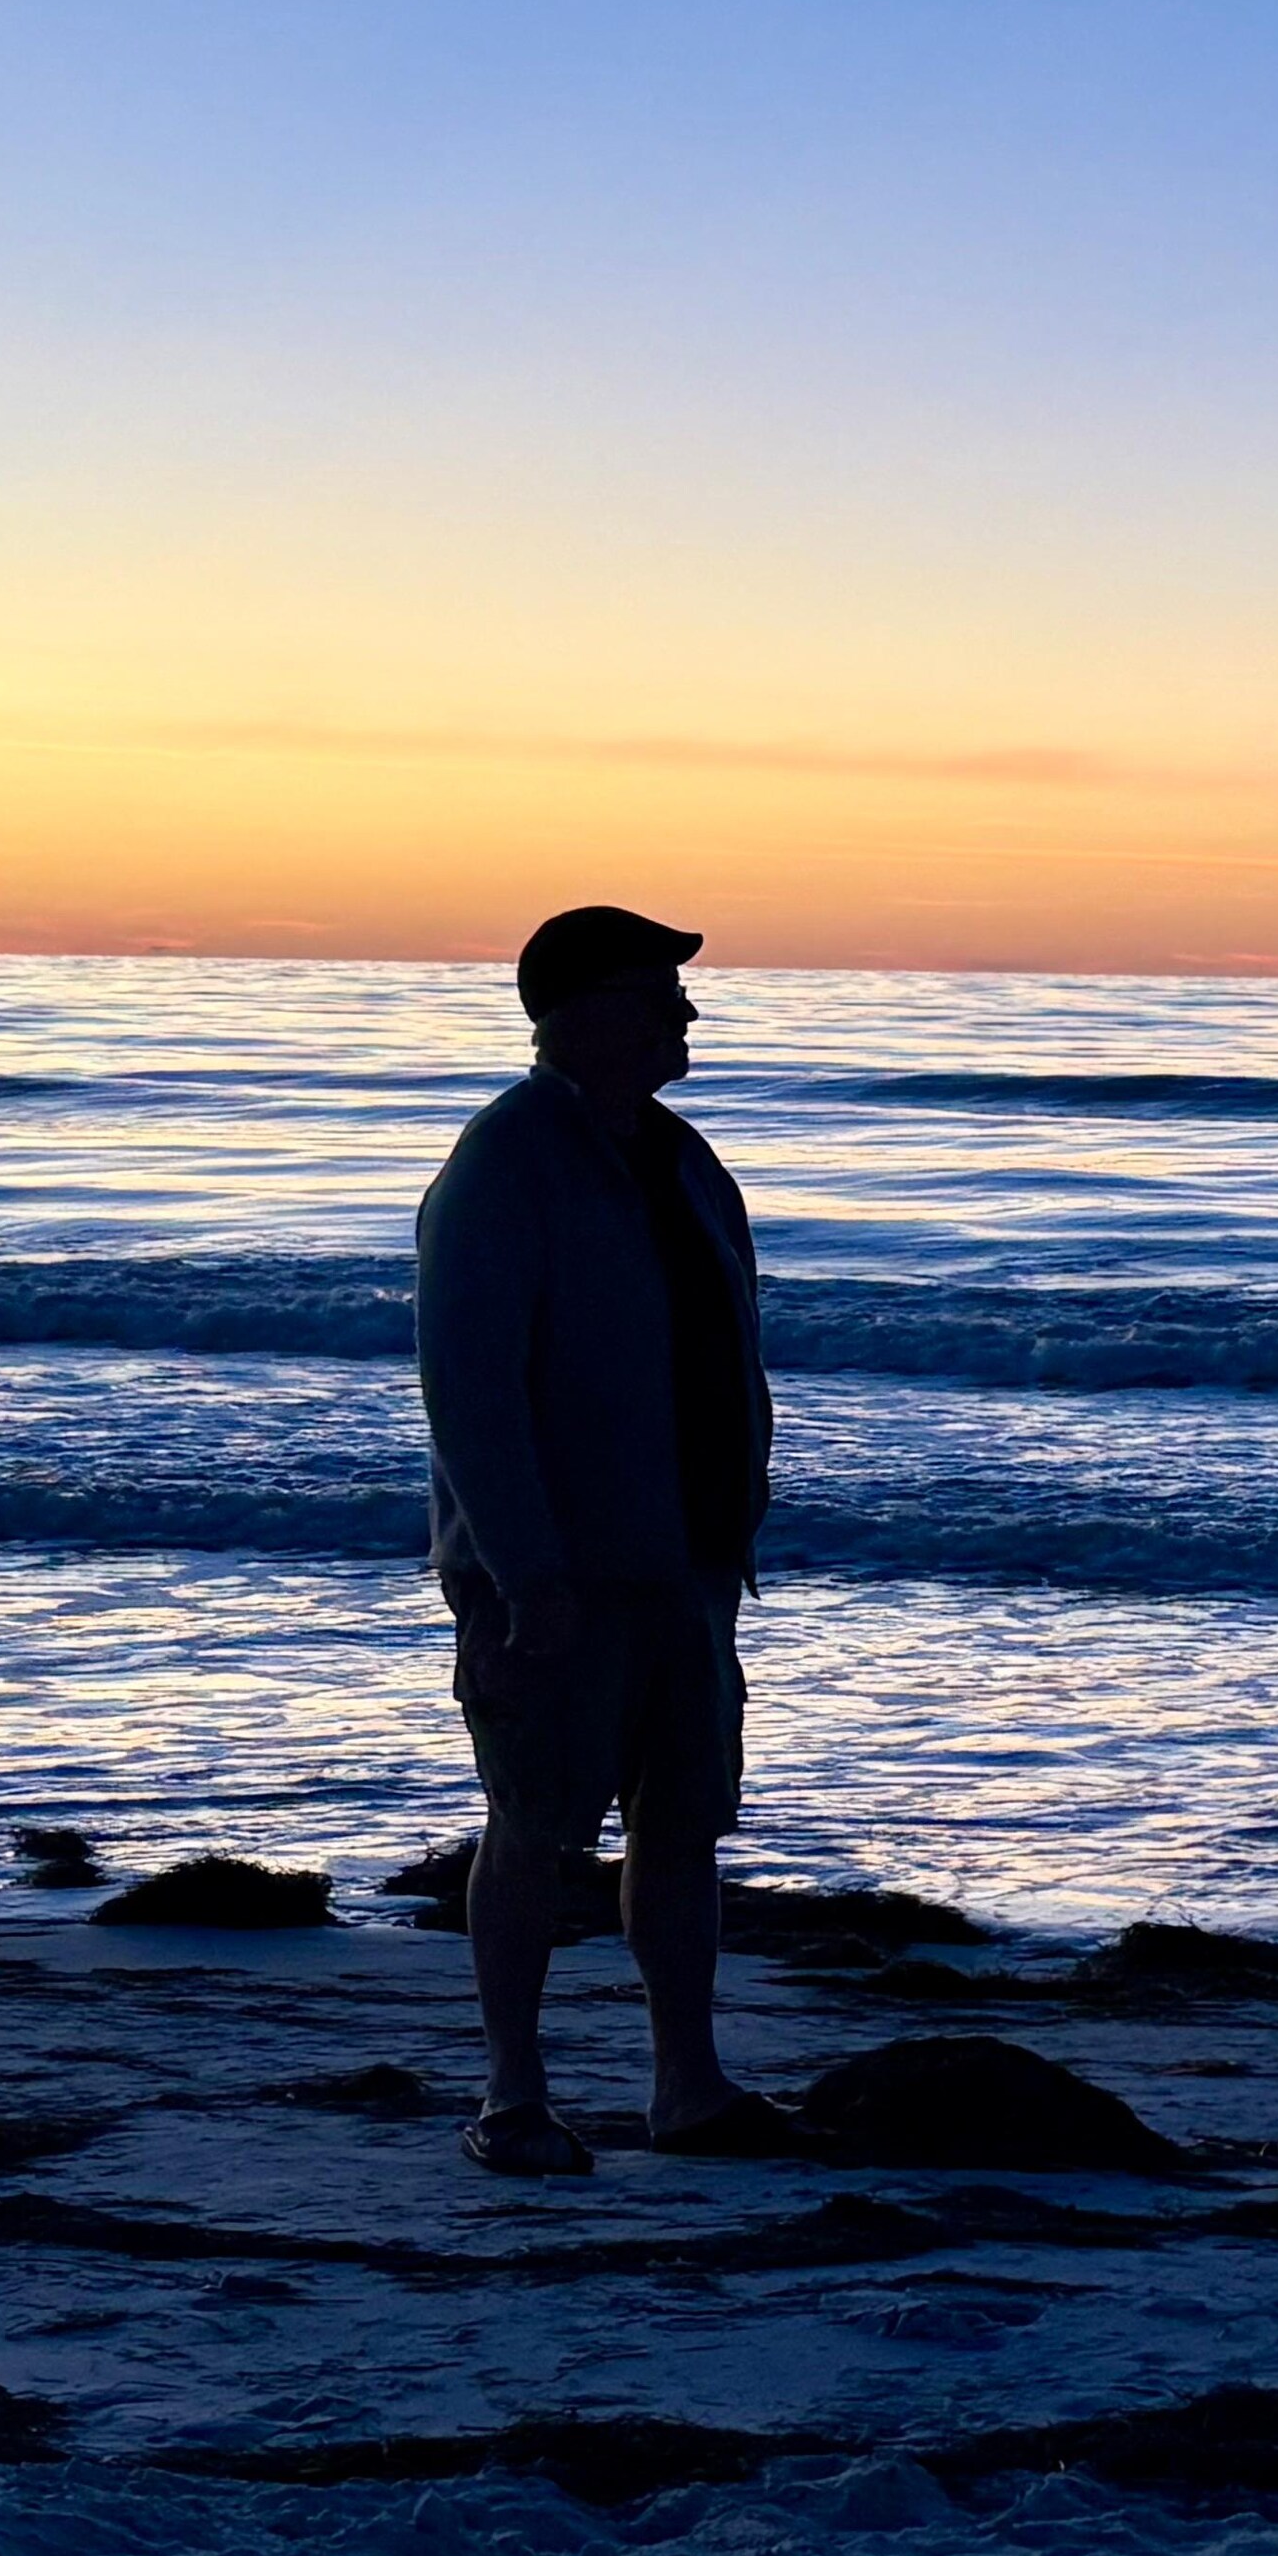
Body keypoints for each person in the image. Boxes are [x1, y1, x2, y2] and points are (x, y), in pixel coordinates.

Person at [413, 905, 789, 2174]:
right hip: (554, 1570)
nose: (682, 1014)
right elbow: (469, 1389)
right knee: (534, 1819)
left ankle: (687, 2081)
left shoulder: (682, 1158)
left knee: (683, 1826)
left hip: (683, 1559)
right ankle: (510, 2090)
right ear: (574, 1009)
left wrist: (733, 1524)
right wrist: (526, 1572)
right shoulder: (505, 1159)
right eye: (654, 994)